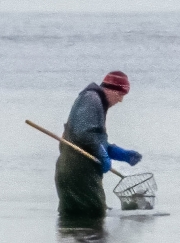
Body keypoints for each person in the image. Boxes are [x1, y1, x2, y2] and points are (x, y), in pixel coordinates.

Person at [55, 71, 143, 219]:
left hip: (76, 172)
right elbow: (85, 134)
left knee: (76, 219)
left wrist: (120, 153)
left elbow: (93, 137)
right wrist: (103, 155)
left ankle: (72, 240)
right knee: (93, 216)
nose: (120, 100)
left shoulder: (96, 102)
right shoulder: (91, 99)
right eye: (120, 95)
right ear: (110, 89)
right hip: (77, 173)